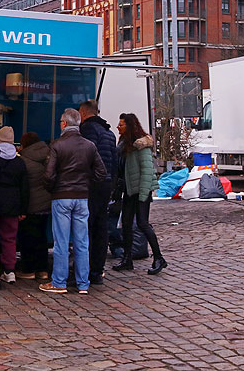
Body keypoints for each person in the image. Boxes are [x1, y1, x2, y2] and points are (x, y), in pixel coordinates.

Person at [40, 108, 105, 294]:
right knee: (82, 242)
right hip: (81, 197)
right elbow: (101, 172)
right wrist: (86, 184)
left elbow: (49, 175)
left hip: (61, 197)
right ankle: (83, 283)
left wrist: (52, 188)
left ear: (64, 124)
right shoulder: (89, 145)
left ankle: (59, 282)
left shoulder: (57, 145)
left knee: (61, 241)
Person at [113, 113, 167, 275]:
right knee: (126, 224)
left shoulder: (141, 145)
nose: (118, 127)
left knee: (143, 223)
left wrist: (143, 195)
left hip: (141, 191)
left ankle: (159, 258)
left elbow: (147, 171)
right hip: (129, 190)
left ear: (129, 126)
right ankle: (127, 258)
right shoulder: (124, 144)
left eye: (121, 124)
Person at [79, 99, 119, 286]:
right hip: (106, 185)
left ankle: (84, 270)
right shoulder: (109, 133)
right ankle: (97, 270)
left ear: (83, 113)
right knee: (101, 228)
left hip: (91, 184)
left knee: (86, 228)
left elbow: (86, 157)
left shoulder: (87, 130)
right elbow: (115, 163)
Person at [0, 126, 28, 284]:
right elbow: (25, 188)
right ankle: (10, 270)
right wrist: (23, 209)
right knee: (9, 239)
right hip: (13, 204)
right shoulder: (19, 162)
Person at [16, 132, 52, 281]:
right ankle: (43, 270)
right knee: (42, 237)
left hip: (31, 204)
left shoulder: (23, 160)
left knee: (27, 238)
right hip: (46, 204)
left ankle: (29, 269)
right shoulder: (49, 156)